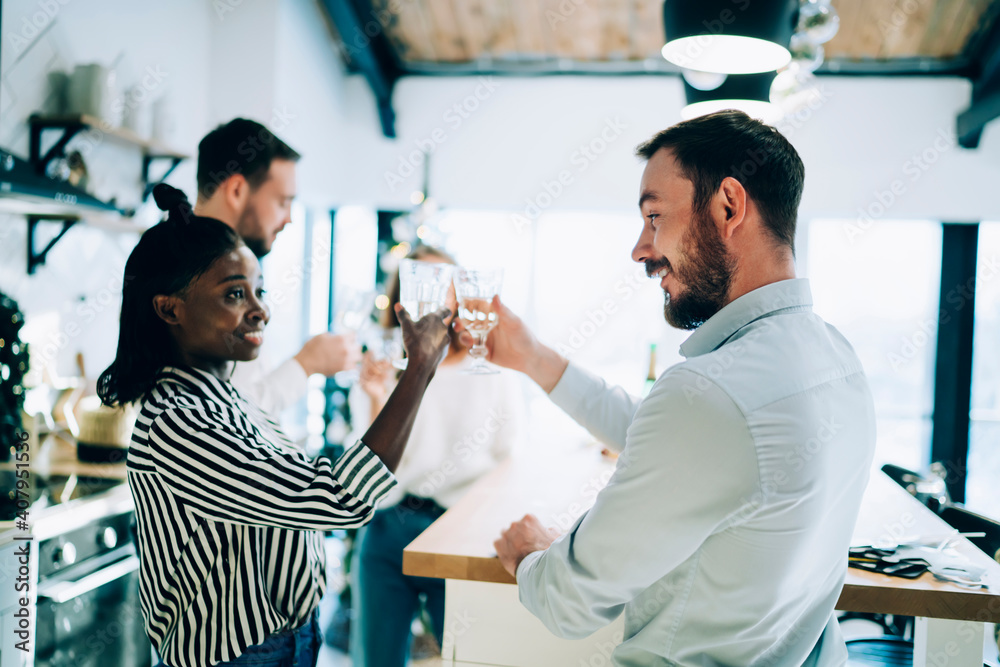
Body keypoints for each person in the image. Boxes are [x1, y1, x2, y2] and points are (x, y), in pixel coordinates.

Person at [473, 111, 876, 666]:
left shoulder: (711, 395)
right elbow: (682, 436)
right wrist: (536, 360)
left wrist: (532, 556)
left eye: (655, 216)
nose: (641, 249)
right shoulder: (835, 357)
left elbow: (567, 602)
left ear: (728, 207)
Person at [97, 184, 453, 667]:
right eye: (235, 294)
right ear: (169, 308)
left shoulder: (228, 398)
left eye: (259, 291)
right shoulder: (178, 422)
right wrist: (418, 371)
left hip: (290, 642)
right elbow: (338, 498)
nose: (260, 308)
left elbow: (303, 490)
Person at [347, 246, 526, 667]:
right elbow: (365, 473)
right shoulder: (385, 372)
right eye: (417, 286)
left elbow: (510, 456)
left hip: (463, 534)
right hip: (390, 528)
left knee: (470, 657)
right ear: (401, 302)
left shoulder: (491, 369)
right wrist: (376, 400)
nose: (428, 298)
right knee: (375, 660)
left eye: (439, 286)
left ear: (457, 297)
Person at [194, 118, 360, 415]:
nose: (290, 219)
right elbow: (231, 419)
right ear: (236, 191)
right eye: (283, 202)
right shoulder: (192, 278)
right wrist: (307, 363)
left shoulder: (232, 269)